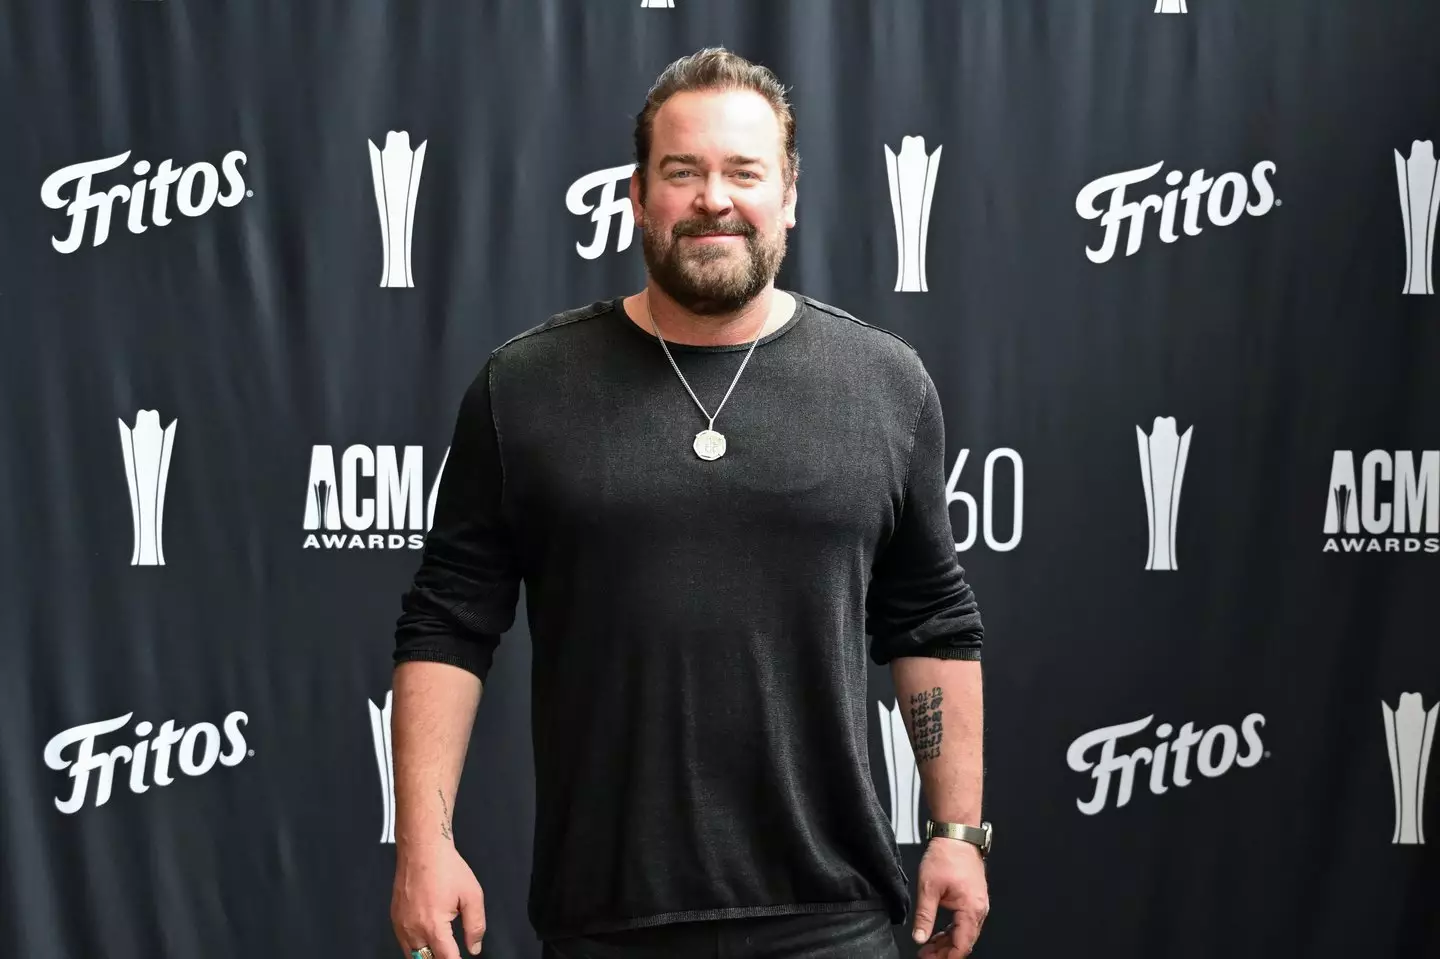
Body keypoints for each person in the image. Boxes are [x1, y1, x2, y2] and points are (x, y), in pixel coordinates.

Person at [387, 47, 991, 959]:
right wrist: (423, 848)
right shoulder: (525, 389)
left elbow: (931, 620)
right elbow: (447, 623)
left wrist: (957, 831)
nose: (714, 198)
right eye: (683, 171)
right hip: (606, 919)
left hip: (833, 917)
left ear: (788, 195)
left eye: (743, 172)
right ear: (635, 196)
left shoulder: (884, 386)